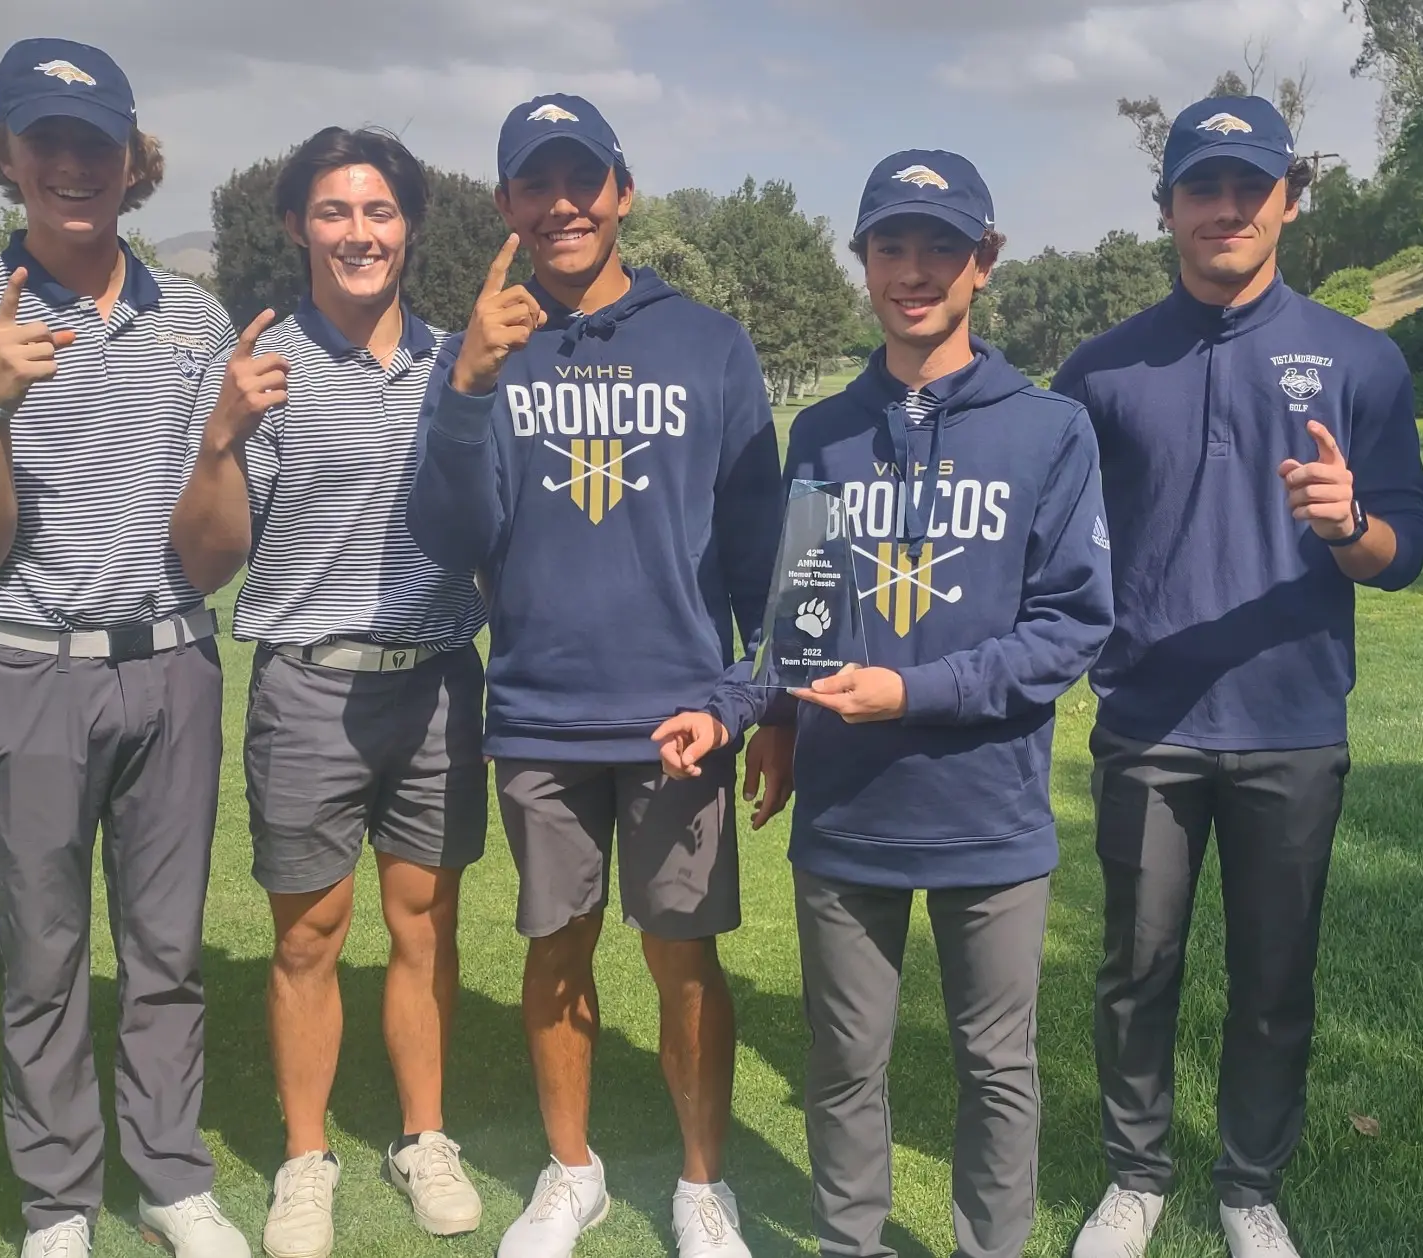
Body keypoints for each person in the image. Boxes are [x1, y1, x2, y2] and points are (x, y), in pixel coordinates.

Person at [658, 148, 1115, 1258]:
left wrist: (913, 690)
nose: (914, 271)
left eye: (940, 248)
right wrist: (733, 708)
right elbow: (798, 623)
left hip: (988, 813)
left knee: (995, 1068)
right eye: (891, 246)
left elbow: (1069, 627)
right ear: (861, 260)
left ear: (983, 262)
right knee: (843, 1063)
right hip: (850, 813)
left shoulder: (1049, 429)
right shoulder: (822, 430)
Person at [405, 94, 783, 1258]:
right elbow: (444, 534)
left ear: (621, 191)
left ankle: (703, 1184)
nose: (562, 203)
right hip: (540, 713)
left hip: (682, 716)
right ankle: (571, 1172)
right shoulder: (479, 347)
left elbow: (761, 551)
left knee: (684, 958)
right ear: (506, 203)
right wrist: (469, 387)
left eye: (583, 179)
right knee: (555, 948)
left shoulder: (709, 343)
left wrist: (764, 703)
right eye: (536, 182)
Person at [0, 38, 248, 1258]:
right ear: (9, 157)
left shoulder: (193, 318)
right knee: (42, 955)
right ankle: (57, 1203)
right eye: (45, 140)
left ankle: (169, 1177)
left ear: (133, 161)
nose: (72, 165)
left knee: (166, 950)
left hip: (173, 662)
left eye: (96, 143)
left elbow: (212, 547)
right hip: (26, 664)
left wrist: (223, 443)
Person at [1052, 96, 1423, 1258]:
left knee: (1274, 975)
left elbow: (1400, 555)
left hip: (1291, 721)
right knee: (1135, 967)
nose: (1225, 207)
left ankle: (1249, 1184)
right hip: (1148, 722)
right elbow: (1057, 545)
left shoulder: (1360, 358)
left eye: (1248, 187)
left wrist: (1345, 520)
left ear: (1287, 203)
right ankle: (1134, 1175)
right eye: (1201, 187)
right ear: (1165, 207)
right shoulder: (1099, 371)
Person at [171, 126, 489, 1258]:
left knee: (425, 925)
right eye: (334, 212)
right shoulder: (261, 367)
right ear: (297, 227)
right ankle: (305, 1161)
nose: (359, 233)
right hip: (309, 688)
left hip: (437, 685)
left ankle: (424, 1138)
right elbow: (207, 559)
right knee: (308, 936)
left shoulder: (459, 365)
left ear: (410, 227)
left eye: (379, 211)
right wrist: (222, 438)